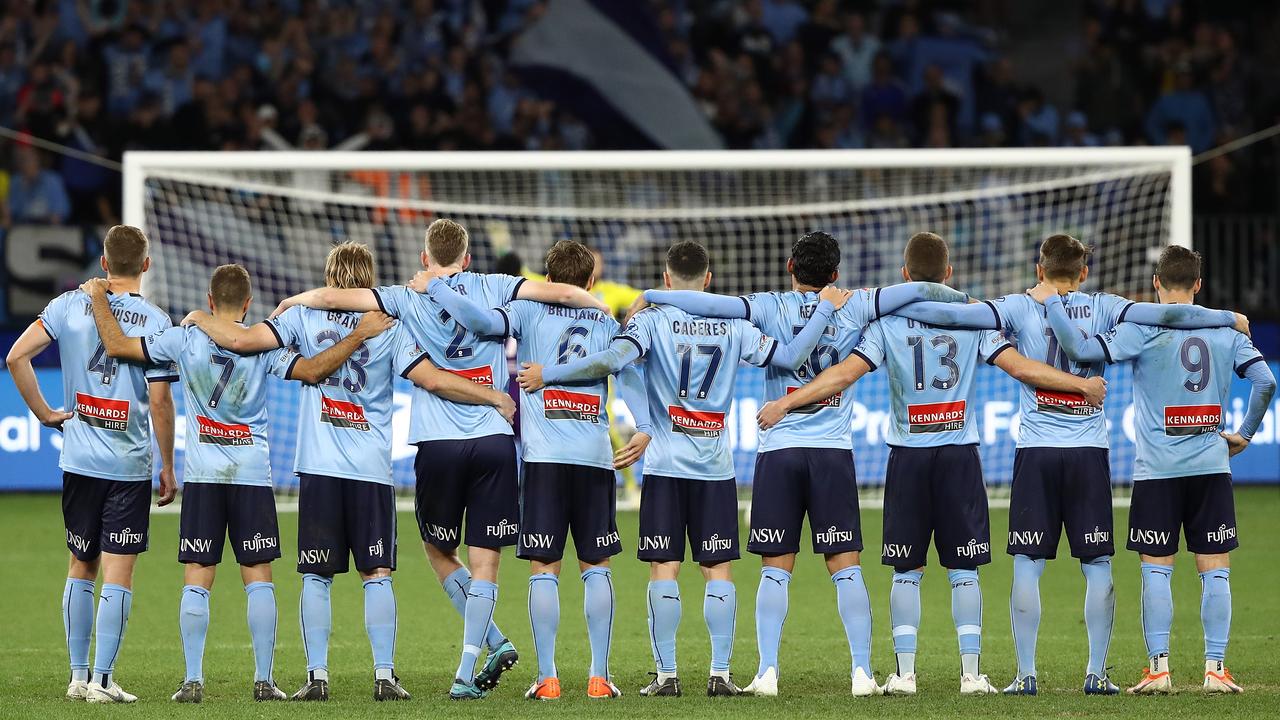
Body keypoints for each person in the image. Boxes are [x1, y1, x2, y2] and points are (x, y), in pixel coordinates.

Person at [892, 233, 1247, 695]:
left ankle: (1025, 674)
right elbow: (1170, 313)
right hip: (1089, 453)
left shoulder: (1019, 306)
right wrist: (1229, 317)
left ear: (1040, 270)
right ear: (1083, 273)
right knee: (1097, 562)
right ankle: (1096, 674)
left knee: (1027, 563)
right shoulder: (1104, 306)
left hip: (1036, 452)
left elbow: (952, 315)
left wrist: (889, 304)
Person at [270, 219, 610, 700]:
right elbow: (561, 293)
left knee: (436, 550)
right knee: (486, 562)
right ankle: (468, 668)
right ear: (467, 258)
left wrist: (293, 301)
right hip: (494, 439)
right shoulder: (497, 286)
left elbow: (332, 300)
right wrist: (597, 304)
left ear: (425, 258)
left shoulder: (406, 296)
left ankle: (331, 673)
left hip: (436, 442)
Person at [758, 232, 1107, 696]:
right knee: (964, 569)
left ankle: (903, 674)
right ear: (949, 273)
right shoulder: (973, 318)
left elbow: (844, 374)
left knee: (906, 570)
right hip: (959, 456)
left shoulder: (887, 323)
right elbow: (1021, 368)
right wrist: (1079, 385)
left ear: (904, 275)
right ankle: (971, 675)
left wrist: (788, 402)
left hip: (907, 457)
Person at [638, 230, 970, 697]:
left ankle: (768, 673)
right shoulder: (857, 303)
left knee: (777, 565)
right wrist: (959, 297)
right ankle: (861, 673)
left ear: (791, 268)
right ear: (835, 274)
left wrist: (652, 294)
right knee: (845, 564)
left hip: (779, 449)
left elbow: (709, 306)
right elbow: (917, 289)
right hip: (833, 452)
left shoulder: (767, 305)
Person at [182, 241, 515, 701]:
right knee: (377, 573)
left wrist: (201, 318)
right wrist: (493, 395)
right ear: (369, 279)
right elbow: (434, 379)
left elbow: (242, 340)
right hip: (371, 467)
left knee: (316, 577)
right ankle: (384, 676)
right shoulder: (389, 326)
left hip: (319, 465)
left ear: (329, 275)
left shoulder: (301, 318)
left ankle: (317, 678)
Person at [518, 240, 851, 698]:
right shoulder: (735, 325)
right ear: (708, 281)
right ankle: (719, 674)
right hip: (715, 466)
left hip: (665, 465)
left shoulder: (650, 322)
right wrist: (823, 312)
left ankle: (667, 675)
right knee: (717, 570)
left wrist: (559, 378)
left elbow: (615, 361)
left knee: (664, 569)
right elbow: (792, 358)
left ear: (667, 278)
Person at [82, 265, 391, 702]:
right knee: (258, 578)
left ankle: (193, 680)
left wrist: (98, 297)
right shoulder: (266, 348)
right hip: (251, 475)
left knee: (197, 576)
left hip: (204, 477)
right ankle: (264, 681)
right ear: (248, 304)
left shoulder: (183, 337)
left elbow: (115, 345)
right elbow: (313, 371)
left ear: (210, 301)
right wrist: (357, 336)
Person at [1033, 245, 1274, 695]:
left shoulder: (1140, 328)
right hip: (1209, 466)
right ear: (1198, 285)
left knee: (1156, 569)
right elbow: (1266, 381)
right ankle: (1216, 668)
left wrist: (1050, 304)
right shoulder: (1227, 331)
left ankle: (1159, 669)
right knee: (1215, 569)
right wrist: (1244, 433)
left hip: (1157, 470)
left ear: (1156, 285)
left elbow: (1080, 347)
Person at [423, 240, 650, 700]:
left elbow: (484, 322)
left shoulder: (527, 311)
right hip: (591, 456)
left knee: (544, 568)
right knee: (597, 566)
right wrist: (644, 426)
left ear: (546, 281)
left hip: (544, 458)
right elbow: (626, 372)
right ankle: (599, 676)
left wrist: (436, 287)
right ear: (590, 282)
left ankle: (547, 679)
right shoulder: (605, 319)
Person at [4, 225, 178, 703]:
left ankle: (79, 677)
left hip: (78, 460)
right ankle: (102, 680)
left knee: (81, 564)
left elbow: (17, 356)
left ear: (104, 263)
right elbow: (161, 403)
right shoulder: (158, 323)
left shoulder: (67, 306)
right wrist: (168, 464)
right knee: (118, 574)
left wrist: (43, 414)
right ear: (145, 265)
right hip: (127, 464)